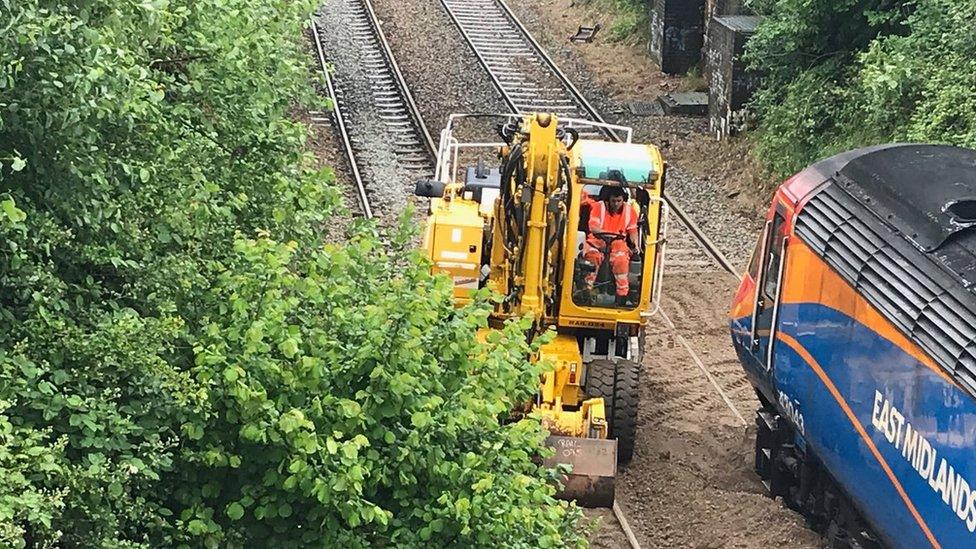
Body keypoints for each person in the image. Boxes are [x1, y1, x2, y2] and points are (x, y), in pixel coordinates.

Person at [583, 186, 639, 305]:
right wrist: (604, 235)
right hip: (597, 242)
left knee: (621, 260)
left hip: (618, 244)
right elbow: (593, 227)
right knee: (592, 257)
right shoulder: (598, 207)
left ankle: (622, 295)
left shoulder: (630, 211)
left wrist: (635, 244)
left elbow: (633, 231)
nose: (616, 204)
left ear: (623, 200)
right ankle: (586, 290)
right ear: (608, 200)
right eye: (613, 201)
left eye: (619, 201)